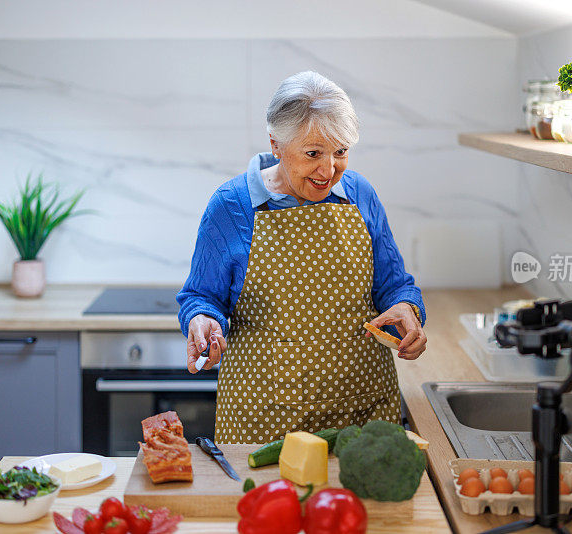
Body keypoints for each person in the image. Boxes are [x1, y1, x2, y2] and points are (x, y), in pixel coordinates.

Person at [177, 71, 426, 444]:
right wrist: (201, 320)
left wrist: (408, 309)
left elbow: (395, 286)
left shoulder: (360, 195)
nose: (329, 171)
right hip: (265, 419)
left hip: (363, 411)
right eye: (313, 154)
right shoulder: (231, 207)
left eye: (340, 151)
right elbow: (202, 297)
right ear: (276, 144)